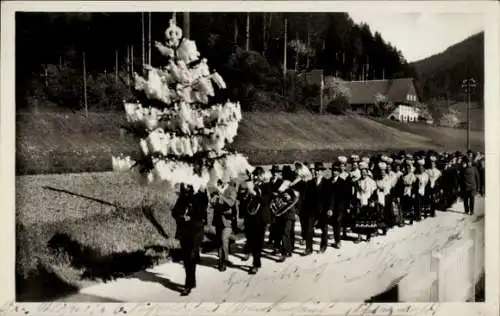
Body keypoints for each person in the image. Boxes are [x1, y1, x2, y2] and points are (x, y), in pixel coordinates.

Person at [171, 184, 208, 296]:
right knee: (187, 258)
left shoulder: (199, 197)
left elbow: (202, 213)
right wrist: (182, 216)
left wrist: (191, 216)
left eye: (188, 186)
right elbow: (174, 213)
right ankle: (191, 282)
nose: (186, 188)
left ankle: (188, 284)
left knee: (190, 256)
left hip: (195, 231)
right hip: (184, 232)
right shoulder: (182, 198)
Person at [238, 178, 268, 275]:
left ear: (252, 183)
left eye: (248, 184)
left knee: (257, 245)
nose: (247, 186)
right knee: (250, 241)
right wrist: (244, 197)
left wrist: (255, 195)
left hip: (259, 222)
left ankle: (256, 264)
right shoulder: (245, 193)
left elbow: (264, 202)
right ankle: (248, 253)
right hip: (249, 222)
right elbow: (242, 209)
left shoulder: (259, 190)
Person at [211, 179, 238, 272]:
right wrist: (213, 201)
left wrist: (221, 196)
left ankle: (224, 262)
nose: (219, 183)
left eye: (221, 181)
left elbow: (231, 203)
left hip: (228, 221)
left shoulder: (231, 190)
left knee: (223, 240)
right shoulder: (217, 190)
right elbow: (212, 203)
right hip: (218, 220)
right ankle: (222, 259)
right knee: (220, 241)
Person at [305, 162, 330, 253]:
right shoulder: (310, 183)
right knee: (309, 229)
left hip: (323, 210)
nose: (317, 172)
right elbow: (307, 198)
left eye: (319, 171)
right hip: (312, 210)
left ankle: (323, 246)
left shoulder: (327, 183)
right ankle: (308, 248)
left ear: (322, 172)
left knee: (324, 229)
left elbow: (330, 197)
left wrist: (329, 209)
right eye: (316, 170)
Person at [327, 157, 351, 249]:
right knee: (334, 223)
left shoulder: (343, 182)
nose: (334, 172)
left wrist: (347, 206)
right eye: (333, 171)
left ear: (338, 172)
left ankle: (338, 241)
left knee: (337, 222)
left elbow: (347, 195)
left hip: (340, 207)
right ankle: (337, 238)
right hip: (331, 207)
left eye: (336, 171)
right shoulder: (328, 182)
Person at [353, 161, 377, 242]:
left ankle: (368, 236)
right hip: (360, 202)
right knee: (359, 220)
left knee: (368, 220)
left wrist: (372, 201)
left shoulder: (371, 181)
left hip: (368, 203)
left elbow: (374, 193)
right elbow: (355, 193)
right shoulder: (358, 182)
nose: (363, 174)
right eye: (362, 172)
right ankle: (359, 237)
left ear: (367, 172)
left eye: (365, 172)